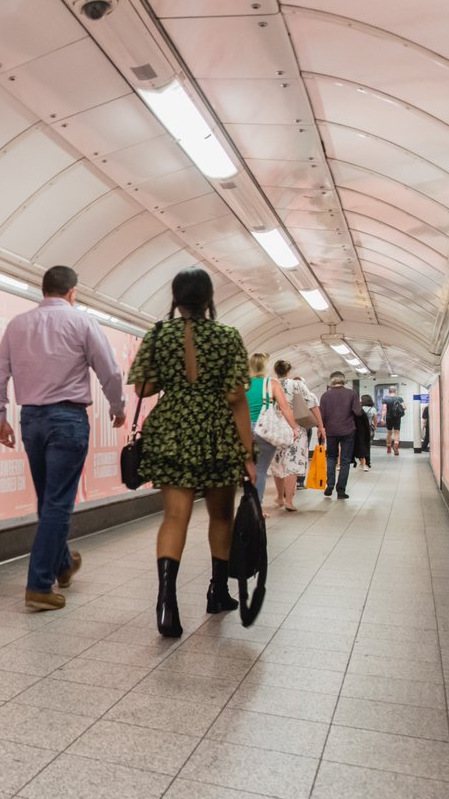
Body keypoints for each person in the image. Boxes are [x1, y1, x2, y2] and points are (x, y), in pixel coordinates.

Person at [0, 265, 126, 612]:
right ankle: (38, 585)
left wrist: (0, 416)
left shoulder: (17, 325)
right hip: (67, 419)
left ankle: (63, 564)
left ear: (44, 289)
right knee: (59, 502)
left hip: (31, 419)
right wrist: (118, 406)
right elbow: (108, 368)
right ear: (72, 292)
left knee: (48, 498)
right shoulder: (82, 322)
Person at [126, 267, 255, 638]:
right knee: (221, 516)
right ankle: (218, 591)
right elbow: (235, 397)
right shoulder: (227, 336)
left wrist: (174, 373)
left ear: (175, 299)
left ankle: (166, 602)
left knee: (174, 517)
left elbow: (144, 389)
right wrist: (247, 454)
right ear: (209, 299)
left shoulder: (159, 334)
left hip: (172, 430)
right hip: (216, 432)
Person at [247, 353, 299, 516]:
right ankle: (257, 508)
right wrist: (294, 428)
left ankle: (247, 504)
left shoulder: (242, 385)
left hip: (243, 430)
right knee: (260, 470)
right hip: (265, 431)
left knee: (247, 470)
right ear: (265, 367)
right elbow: (284, 408)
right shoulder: (272, 384)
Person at [269, 361, 324, 511]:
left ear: (275, 371)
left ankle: (280, 497)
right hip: (295, 427)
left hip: (275, 428)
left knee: (277, 462)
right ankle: (289, 501)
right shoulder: (297, 385)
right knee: (292, 463)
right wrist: (320, 426)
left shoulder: (269, 384)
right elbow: (312, 403)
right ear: (289, 371)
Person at [319, 372, 363, 499]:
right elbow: (358, 412)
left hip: (331, 431)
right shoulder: (352, 393)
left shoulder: (325, 396)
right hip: (348, 430)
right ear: (344, 380)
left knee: (331, 457)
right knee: (345, 460)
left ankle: (330, 484)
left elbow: (322, 416)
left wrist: (321, 429)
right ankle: (341, 490)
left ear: (331, 381)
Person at [382, 388, 405, 456]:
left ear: (389, 391)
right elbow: (404, 407)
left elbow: (384, 409)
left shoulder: (385, 399)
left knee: (389, 433)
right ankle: (395, 445)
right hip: (397, 417)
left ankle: (389, 448)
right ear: (395, 391)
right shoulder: (400, 398)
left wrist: (382, 418)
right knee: (396, 433)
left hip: (389, 418)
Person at [357, 394, 377, 471]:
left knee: (360, 446)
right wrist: (374, 428)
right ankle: (367, 463)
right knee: (368, 446)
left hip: (360, 430)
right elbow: (375, 421)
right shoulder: (373, 409)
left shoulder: (360, 408)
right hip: (369, 429)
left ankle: (362, 462)